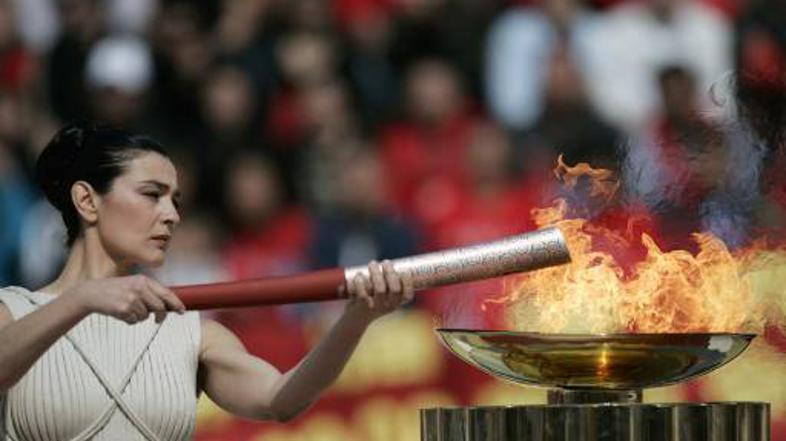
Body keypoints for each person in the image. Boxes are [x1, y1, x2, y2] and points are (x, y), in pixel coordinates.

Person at [0, 122, 414, 440]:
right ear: (87, 201)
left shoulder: (190, 331)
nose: (172, 214)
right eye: (151, 194)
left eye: (175, 200)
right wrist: (83, 299)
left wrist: (357, 319)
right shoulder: (13, 310)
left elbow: (279, 399)